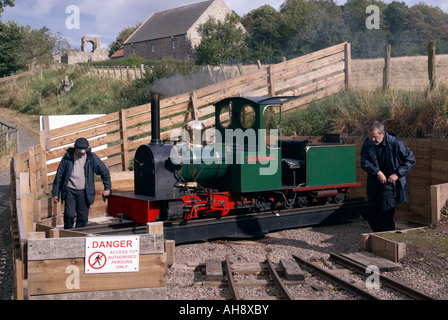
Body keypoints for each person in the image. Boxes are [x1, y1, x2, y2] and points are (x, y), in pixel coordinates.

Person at [360, 121, 415, 232]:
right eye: (370, 136)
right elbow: (363, 161)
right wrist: (377, 172)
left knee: (386, 217)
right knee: (371, 215)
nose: (372, 140)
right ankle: (378, 238)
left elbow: (410, 160)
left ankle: (388, 243)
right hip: (374, 185)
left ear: (383, 134)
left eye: (375, 137)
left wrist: (397, 174)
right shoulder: (368, 143)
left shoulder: (396, 144)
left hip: (389, 187)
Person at [52, 137, 111, 229]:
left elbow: (104, 171)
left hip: (84, 191)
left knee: (83, 217)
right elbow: (59, 175)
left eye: (84, 152)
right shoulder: (67, 157)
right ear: (75, 148)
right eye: (80, 152)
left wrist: (107, 188)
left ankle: (79, 235)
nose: (82, 154)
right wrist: (55, 193)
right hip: (69, 190)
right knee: (69, 215)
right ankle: (67, 233)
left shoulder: (91, 158)